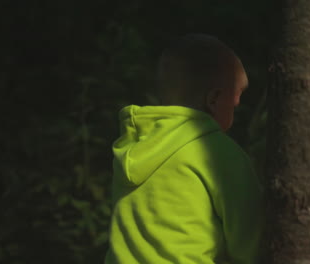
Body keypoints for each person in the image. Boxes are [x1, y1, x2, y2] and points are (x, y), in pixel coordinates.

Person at [104, 34, 262, 264]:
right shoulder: (218, 153)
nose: (237, 106)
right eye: (236, 99)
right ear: (215, 99)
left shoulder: (134, 145)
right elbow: (250, 246)